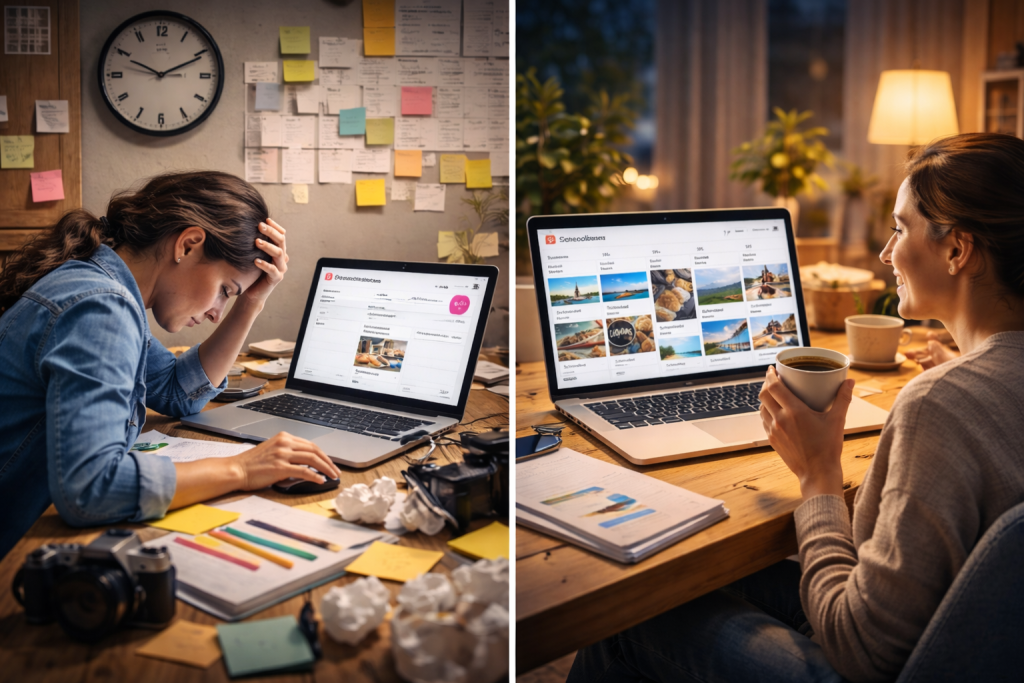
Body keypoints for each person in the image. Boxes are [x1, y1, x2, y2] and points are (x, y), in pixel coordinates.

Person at [568, 132, 1024, 682]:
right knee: (687, 578)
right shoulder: (979, 385)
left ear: (957, 250)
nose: (886, 253)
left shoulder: (940, 403)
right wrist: (966, 365)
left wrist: (818, 472)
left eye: (900, 229)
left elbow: (864, 650)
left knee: (628, 615)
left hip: (874, 662)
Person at [0, 172, 341, 561]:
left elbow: (178, 390)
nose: (217, 314)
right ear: (189, 244)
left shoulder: (100, 286)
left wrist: (250, 302)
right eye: (225, 290)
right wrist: (243, 469)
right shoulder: (100, 307)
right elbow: (92, 489)